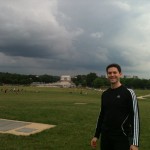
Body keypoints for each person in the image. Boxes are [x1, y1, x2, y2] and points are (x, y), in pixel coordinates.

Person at [91, 63, 140, 150]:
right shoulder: (105, 94)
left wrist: (135, 143)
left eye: (115, 72)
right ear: (107, 75)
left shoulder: (129, 93)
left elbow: (135, 118)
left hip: (121, 137)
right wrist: (96, 135)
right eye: (109, 73)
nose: (112, 75)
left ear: (120, 74)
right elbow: (102, 115)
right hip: (106, 137)